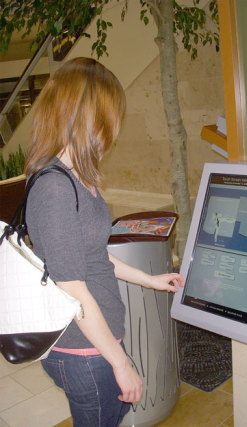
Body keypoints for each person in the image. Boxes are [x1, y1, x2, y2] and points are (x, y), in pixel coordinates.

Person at [25, 57, 184, 427]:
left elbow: (95, 255)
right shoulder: (55, 189)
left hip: (97, 343)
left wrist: (151, 279)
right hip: (82, 350)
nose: (113, 129)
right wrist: (121, 363)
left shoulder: (78, 177)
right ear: (89, 118)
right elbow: (72, 288)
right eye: (110, 117)